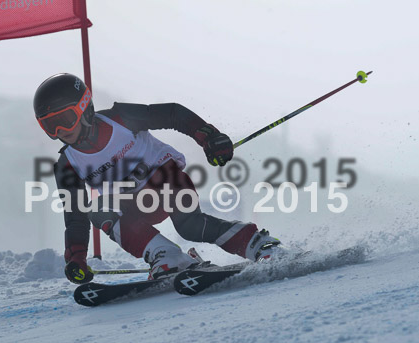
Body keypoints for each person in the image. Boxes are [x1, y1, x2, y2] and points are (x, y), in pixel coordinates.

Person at [33, 73, 282, 284]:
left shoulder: (120, 118)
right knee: (98, 209)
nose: (61, 133)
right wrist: (76, 256)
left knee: (191, 226)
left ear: (85, 107)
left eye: (65, 120)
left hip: (167, 180)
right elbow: (75, 215)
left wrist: (208, 136)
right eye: (50, 126)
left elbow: (172, 114)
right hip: (134, 205)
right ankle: (167, 256)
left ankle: (259, 244)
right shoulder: (67, 164)